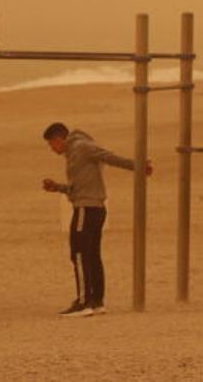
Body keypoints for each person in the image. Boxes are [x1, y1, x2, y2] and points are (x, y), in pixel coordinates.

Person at [41, 122, 152, 317]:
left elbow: (108, 156)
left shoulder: (81, 147)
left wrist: (138, 166)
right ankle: (97, 301)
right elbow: (78, 188)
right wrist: (58, 187)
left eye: (51, 145)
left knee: (79, 253)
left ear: (59, 139)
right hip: (91, 207)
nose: (52, 149)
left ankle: (85, 302)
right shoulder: (75, 151)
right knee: (91, 254)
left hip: (86, 208)